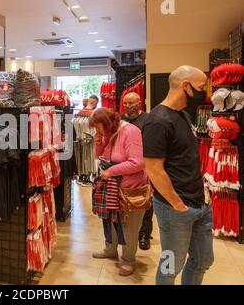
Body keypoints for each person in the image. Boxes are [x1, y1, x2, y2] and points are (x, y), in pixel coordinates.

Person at [143, 65, 213, 285]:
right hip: (175, 208)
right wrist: (177, 204)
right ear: (186, 85)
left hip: (200, 204)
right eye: (202, 87)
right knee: (170, 265)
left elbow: (188, 157)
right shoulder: (157, 120)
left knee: (203, 260)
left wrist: (203, 190)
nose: (205, 92)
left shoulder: (182, 115)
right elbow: (153, 169)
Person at [90, 108, 148, 276]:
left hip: (129, 189)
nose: (97, 130)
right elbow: (98, 156)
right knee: (109, 220)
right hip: (112, 187)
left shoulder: (131, 131)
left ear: (107, 123)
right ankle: (110, 249)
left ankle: (129, 260)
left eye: (98, 127)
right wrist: (99, 142)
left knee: (128, 226)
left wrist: (111, 171)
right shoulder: (109, 133)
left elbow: (137, 162)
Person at [121, 92, 152, 250]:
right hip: (126, 166)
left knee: (145, 200)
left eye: (130, 103)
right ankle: (129, 234)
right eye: (125, 103)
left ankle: (145, 234)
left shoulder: (148, 119)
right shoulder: (121, 119)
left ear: (138, 103)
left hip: (145, 165)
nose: (127, 106)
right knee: (126, 201)